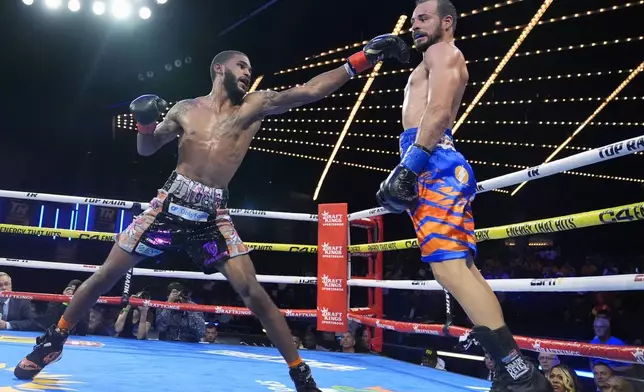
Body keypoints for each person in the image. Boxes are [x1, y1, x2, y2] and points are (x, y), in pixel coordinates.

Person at [14, 36, 409, 391]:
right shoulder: (186, 109)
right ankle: (54, 341)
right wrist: (143, 121)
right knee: (104, 275)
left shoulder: (256, 105)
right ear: (220, 68)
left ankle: (301, 375)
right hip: (168, 205)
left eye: (250, 70)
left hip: (211, 214)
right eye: (242, 67)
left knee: (254, 292)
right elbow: (147, 149)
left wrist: (360, 60)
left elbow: (309, 91)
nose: (247, 74)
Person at [375, 0, 552, 390]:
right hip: (433, 161)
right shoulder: (435, 56)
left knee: (449, 270)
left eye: (424, 18)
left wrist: (410, 164)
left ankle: (520, 373)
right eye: (414, 19)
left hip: (432, 161)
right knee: (460, 271)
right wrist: (408, 57)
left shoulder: (444, 52)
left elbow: (437, 110)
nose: (415, 24)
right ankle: (511, 371)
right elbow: (428, 96)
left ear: (447, 22)